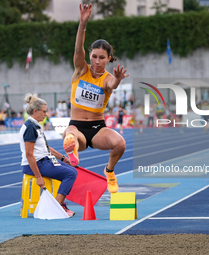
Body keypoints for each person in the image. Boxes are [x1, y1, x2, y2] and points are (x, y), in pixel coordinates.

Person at [62, 3, 129, 194]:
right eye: (94, 56)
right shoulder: (81, 71)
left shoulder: (108, 79)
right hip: (77, 127)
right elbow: (77, 50)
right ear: (89, 56)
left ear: (109, 58)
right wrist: (82, 23)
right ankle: (73, 151)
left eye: (101, 57)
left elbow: (112, 86)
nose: (97, 61)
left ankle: (109, 171)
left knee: (120, 143)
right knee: (70, 135)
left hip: (98, 129)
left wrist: (116, 80)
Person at [20, 93, 77, 217]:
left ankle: (59, 204)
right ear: (35, 111)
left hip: (44, 161)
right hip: (35, 164)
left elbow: (45, 148)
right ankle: (57, 207)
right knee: (70, 174)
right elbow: (29, 155)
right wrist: (38, 177)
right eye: (44, 112)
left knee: (72, 170)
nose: (46, 114)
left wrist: (62, 158)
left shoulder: (35, 125)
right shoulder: (30, 127)